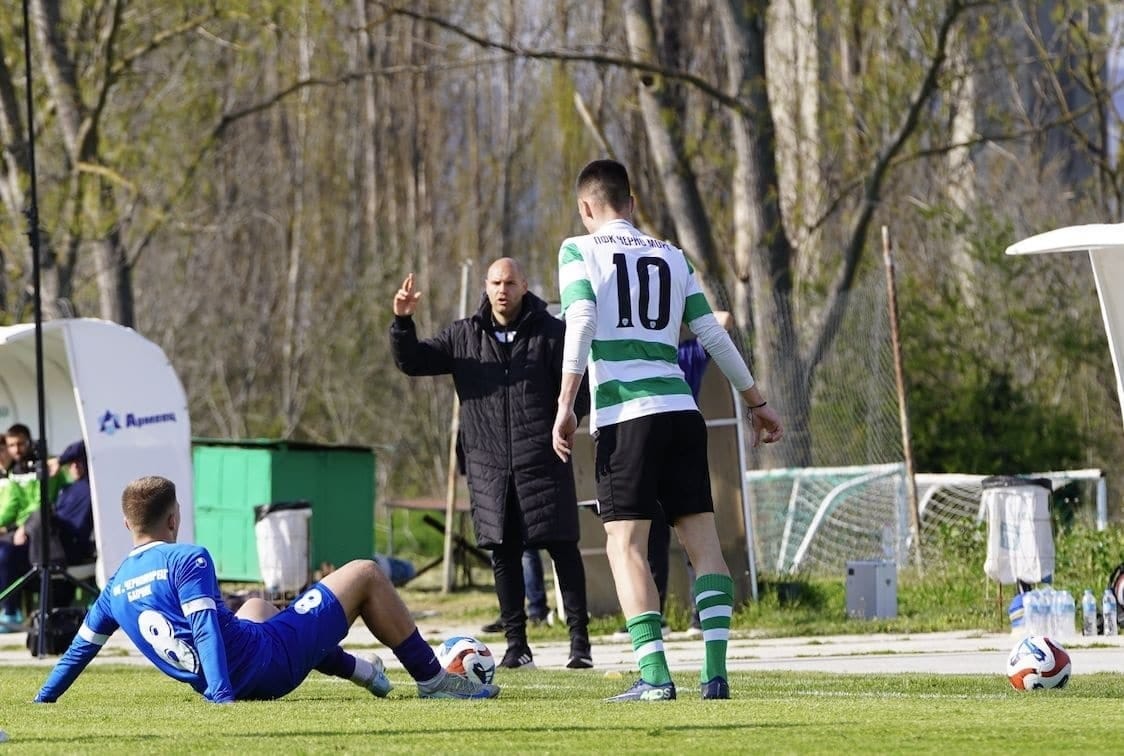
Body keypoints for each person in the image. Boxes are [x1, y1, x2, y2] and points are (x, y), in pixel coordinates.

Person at [552, 159, 783, 702]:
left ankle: (655, 677)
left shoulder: (577, 250)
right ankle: (716, 674)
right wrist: (757, 401)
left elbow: (581, 321)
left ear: (586, 208)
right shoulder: (671, 255)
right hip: (682, 412)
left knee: (623, 544)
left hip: (625, 416)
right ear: (631, 205)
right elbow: (712, 335)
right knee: (702, 541)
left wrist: (567, 402)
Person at [34, 475, 500, 703]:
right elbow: (202, 626)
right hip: (265, 665)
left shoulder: (114, 587)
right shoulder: (186, 557)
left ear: (126, 524)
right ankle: (434, 681)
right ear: (173, 518)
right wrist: (222, 695)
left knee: (256, 605)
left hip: (241, 663)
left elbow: (78, 651)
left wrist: (45, 698)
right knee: (366, 573)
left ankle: (362, 670)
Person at [391, 259, 593, 670]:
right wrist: (402, 321)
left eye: (511, 283)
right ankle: (516, 646)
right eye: (496, 283)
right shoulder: (464, 335)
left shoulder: (552, 333)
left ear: (524, 286)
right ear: (486, 286)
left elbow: (581, 392)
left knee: (562, 550)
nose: (503, 290)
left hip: (544, 460)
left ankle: (580, 645)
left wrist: (566, 423)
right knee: (504, 553)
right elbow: (413, 361)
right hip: (488, 467)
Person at [15, 440, 95, 608]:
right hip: (52, 544)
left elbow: (83, 444)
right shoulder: (66, 489)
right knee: (9, 551)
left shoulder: (92, 485)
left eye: (79, 461)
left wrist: (60, 460)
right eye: (72, 463)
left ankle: (43, 569)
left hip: (71, 546)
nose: (75, 466)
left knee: (40, 513)